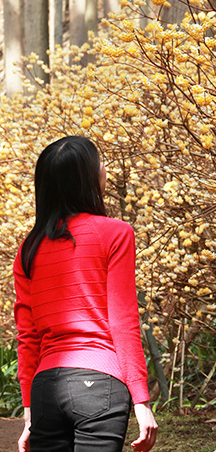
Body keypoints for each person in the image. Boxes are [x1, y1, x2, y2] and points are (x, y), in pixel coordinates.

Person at [13, 136, 158, 452]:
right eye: (99, 162)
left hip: (45, 387)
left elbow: (28, 337)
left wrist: (29, 413)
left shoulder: (29, 249)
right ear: (86, 178)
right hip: (100, 382)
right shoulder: (116, 233)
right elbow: (122, 322)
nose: (104, 168)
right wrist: (141, 400)